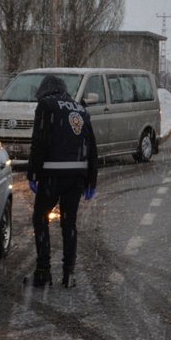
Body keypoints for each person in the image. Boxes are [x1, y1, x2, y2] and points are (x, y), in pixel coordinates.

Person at [27, 75, 98, 288]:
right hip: (76, 176)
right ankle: (69, 274)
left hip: (52, 174)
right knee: (69, 223)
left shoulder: (46, 105)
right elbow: (92, 146)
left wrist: (33, 174)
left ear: (44, 90)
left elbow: (39, 141)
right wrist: (91, 181)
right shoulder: (80, 109)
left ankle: (43, 272)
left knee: (40, 219)